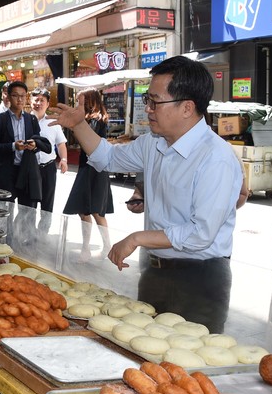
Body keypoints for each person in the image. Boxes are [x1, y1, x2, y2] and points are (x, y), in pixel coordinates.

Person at [48, 56, 243, 333]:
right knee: (145, 351)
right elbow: (107, 158)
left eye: (155, 102)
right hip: (155, 269)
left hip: (200, 276)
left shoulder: (216, 158)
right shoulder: (154, 142)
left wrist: (138, 238)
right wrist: (79, 125)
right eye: (146, 100)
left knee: (192, 362)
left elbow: (201, 233)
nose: (148, 109)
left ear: (187, 107)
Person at [62, 88, 114, 261]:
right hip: (92, 168)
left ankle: (94, 248)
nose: (78, 105)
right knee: (92, 210)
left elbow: (88, 146)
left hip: (92, 169)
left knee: (92, 211)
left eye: (80, 101)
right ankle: (99, 247)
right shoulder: (97, 119)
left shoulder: (94, 120)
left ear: (89, 101)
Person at [0, 81, 51, 208]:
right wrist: (13, 146)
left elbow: (38, 142)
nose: (19, 99)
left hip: (27, 172)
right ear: (8, 97)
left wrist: (34, 145)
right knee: (5, 214)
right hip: (6, 173)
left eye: (22, 96)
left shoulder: (31, 119)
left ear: (26, 97)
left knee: (28, 213)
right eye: (15, 95)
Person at [30, 88, 68, 214]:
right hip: (30, 168)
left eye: (42, 100)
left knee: (47, 204)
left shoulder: (53, 122)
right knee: (30, 204)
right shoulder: (24, 120)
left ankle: (43, 232)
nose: (39, 103)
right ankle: (29, 232)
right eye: (36, 100)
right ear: (30, 101)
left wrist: (64, 159)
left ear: (47, 104)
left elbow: (61, 144)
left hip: (48, 168)